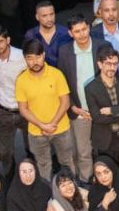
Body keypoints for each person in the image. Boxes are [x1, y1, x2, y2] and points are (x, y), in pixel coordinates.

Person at [17, 39, 77, 178]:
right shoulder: (21, 80)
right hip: (36, 132)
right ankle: (47, 191)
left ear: (43, 55)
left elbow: (65, 102)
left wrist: (52, 124)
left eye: (38, 57)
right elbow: (23, 109)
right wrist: (42, 125)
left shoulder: (56, 74)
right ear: (25, 58)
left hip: (61, 129)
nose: (35, 62)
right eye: (30, 58)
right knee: (43, 166)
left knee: (67, 163)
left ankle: (72, 189)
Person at [56, 15, 104, 182]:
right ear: (70, 33)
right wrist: (72, 106)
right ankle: (85, 184)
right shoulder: (64, 51)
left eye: (84, 29)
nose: (82, 34)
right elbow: (62, 82)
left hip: (101, 110)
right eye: (77, 31)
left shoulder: (101, 46)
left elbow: (110, 77)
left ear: (89, 27)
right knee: (83, 152)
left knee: (103, 150)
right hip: (78, 110)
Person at [86, 45, 119, 173]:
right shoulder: (90, 88)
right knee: (110, 174)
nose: (112, 67)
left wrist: (111, 111)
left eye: (115, 64)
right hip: (107, 140)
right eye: (108, 64)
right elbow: (97, 117)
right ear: (100, 64)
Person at [0, 25, 30, 180]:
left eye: (0, 42)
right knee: (6, 153)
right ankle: (10, 182)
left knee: (31, 147)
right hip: (4, 110)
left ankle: (33, 178)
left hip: (24, 109)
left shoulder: (21, 56)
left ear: (8, 40)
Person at [24, 0, 72, 67]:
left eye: (51, 14)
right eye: (44, 16)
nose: (49, 19)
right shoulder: (31, 35)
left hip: (64, 72)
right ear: (37, 17)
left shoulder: (66, 33)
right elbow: (28, 58)